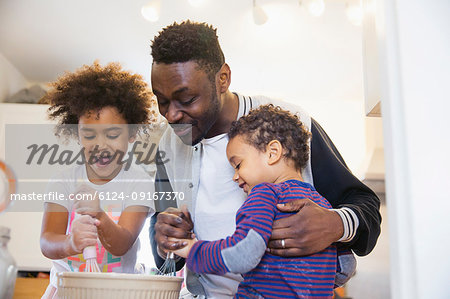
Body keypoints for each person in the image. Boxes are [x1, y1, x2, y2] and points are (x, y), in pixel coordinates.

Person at [150, 21, 381, 298]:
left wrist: (335, 224)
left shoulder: (290, 123)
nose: (171, 115)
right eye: (161, 100)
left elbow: (365, 208)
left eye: (186, 99)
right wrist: (165, 240)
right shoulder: (166, 143)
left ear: (222, 78)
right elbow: (166, 252)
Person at [172, 104, 342, 298]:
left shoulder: (265, 193)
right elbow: (345, 266)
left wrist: (192, 250)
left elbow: (244, 252)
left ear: (272, 153)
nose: (235, 177)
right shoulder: (323, 205)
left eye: (238, 165)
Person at [40, 62, 156, 298]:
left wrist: (100, 215)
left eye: (113, 134)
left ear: (132, 133)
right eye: (89, 134)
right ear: (77, 132)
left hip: (118, 292)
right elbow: (47, 241)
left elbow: (122, 244)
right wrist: (71, 243)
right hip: (66, 291)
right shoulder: (64, 180)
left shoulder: (139, 183)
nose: (100, 145)